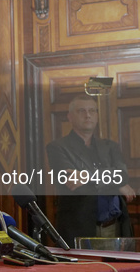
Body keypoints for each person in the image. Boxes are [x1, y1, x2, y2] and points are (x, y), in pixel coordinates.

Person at [46, 94, 135, 247]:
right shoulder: (58, 147)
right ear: (70, 117)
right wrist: (114, 182)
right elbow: (72, 182)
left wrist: (87, 175)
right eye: (81, 111)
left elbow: (123, 176)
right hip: (79, 229)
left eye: (92, 111)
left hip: (115, 227)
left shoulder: (110, 146)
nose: (88, 115)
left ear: (97, 116)